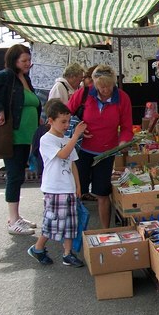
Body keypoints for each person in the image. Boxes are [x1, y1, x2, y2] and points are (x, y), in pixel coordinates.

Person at [0, 44, 42, 235]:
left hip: (26, 137)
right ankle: (13, 220)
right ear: (14, 61)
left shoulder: (25, 78)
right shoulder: (7, 76)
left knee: (19, 175)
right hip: (14, 136)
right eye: (24, 61)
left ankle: (17, 217)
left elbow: (30, 104)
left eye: (29, 60)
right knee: (14, 176)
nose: (28, 64)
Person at [67, 64, 133, 228]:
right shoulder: (84, 93)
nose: (105, 90)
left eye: (108, 86)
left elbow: (126, 128)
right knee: (77, 190)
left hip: (107, 152)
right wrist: (77, 130)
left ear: (114, 83)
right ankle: (74, 230)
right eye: (101, 86)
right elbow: (65, 114)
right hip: (82, 150)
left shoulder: (122, 98)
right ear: (94, 83)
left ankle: (106, 231)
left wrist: (123, 142)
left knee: (103, 193)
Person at [27, 99, 87, 267]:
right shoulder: (47, 140)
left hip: (67, 187)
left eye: (68, 121)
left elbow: (72, 162)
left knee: (70, 222)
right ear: (51, 120)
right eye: (63, 122)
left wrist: (78, 185)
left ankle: (68, 253)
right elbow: (62, 155)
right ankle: (38, 248)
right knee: (52, 222)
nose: (67, 125)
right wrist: (75, 136)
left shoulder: (67, 139)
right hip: (54, 188)